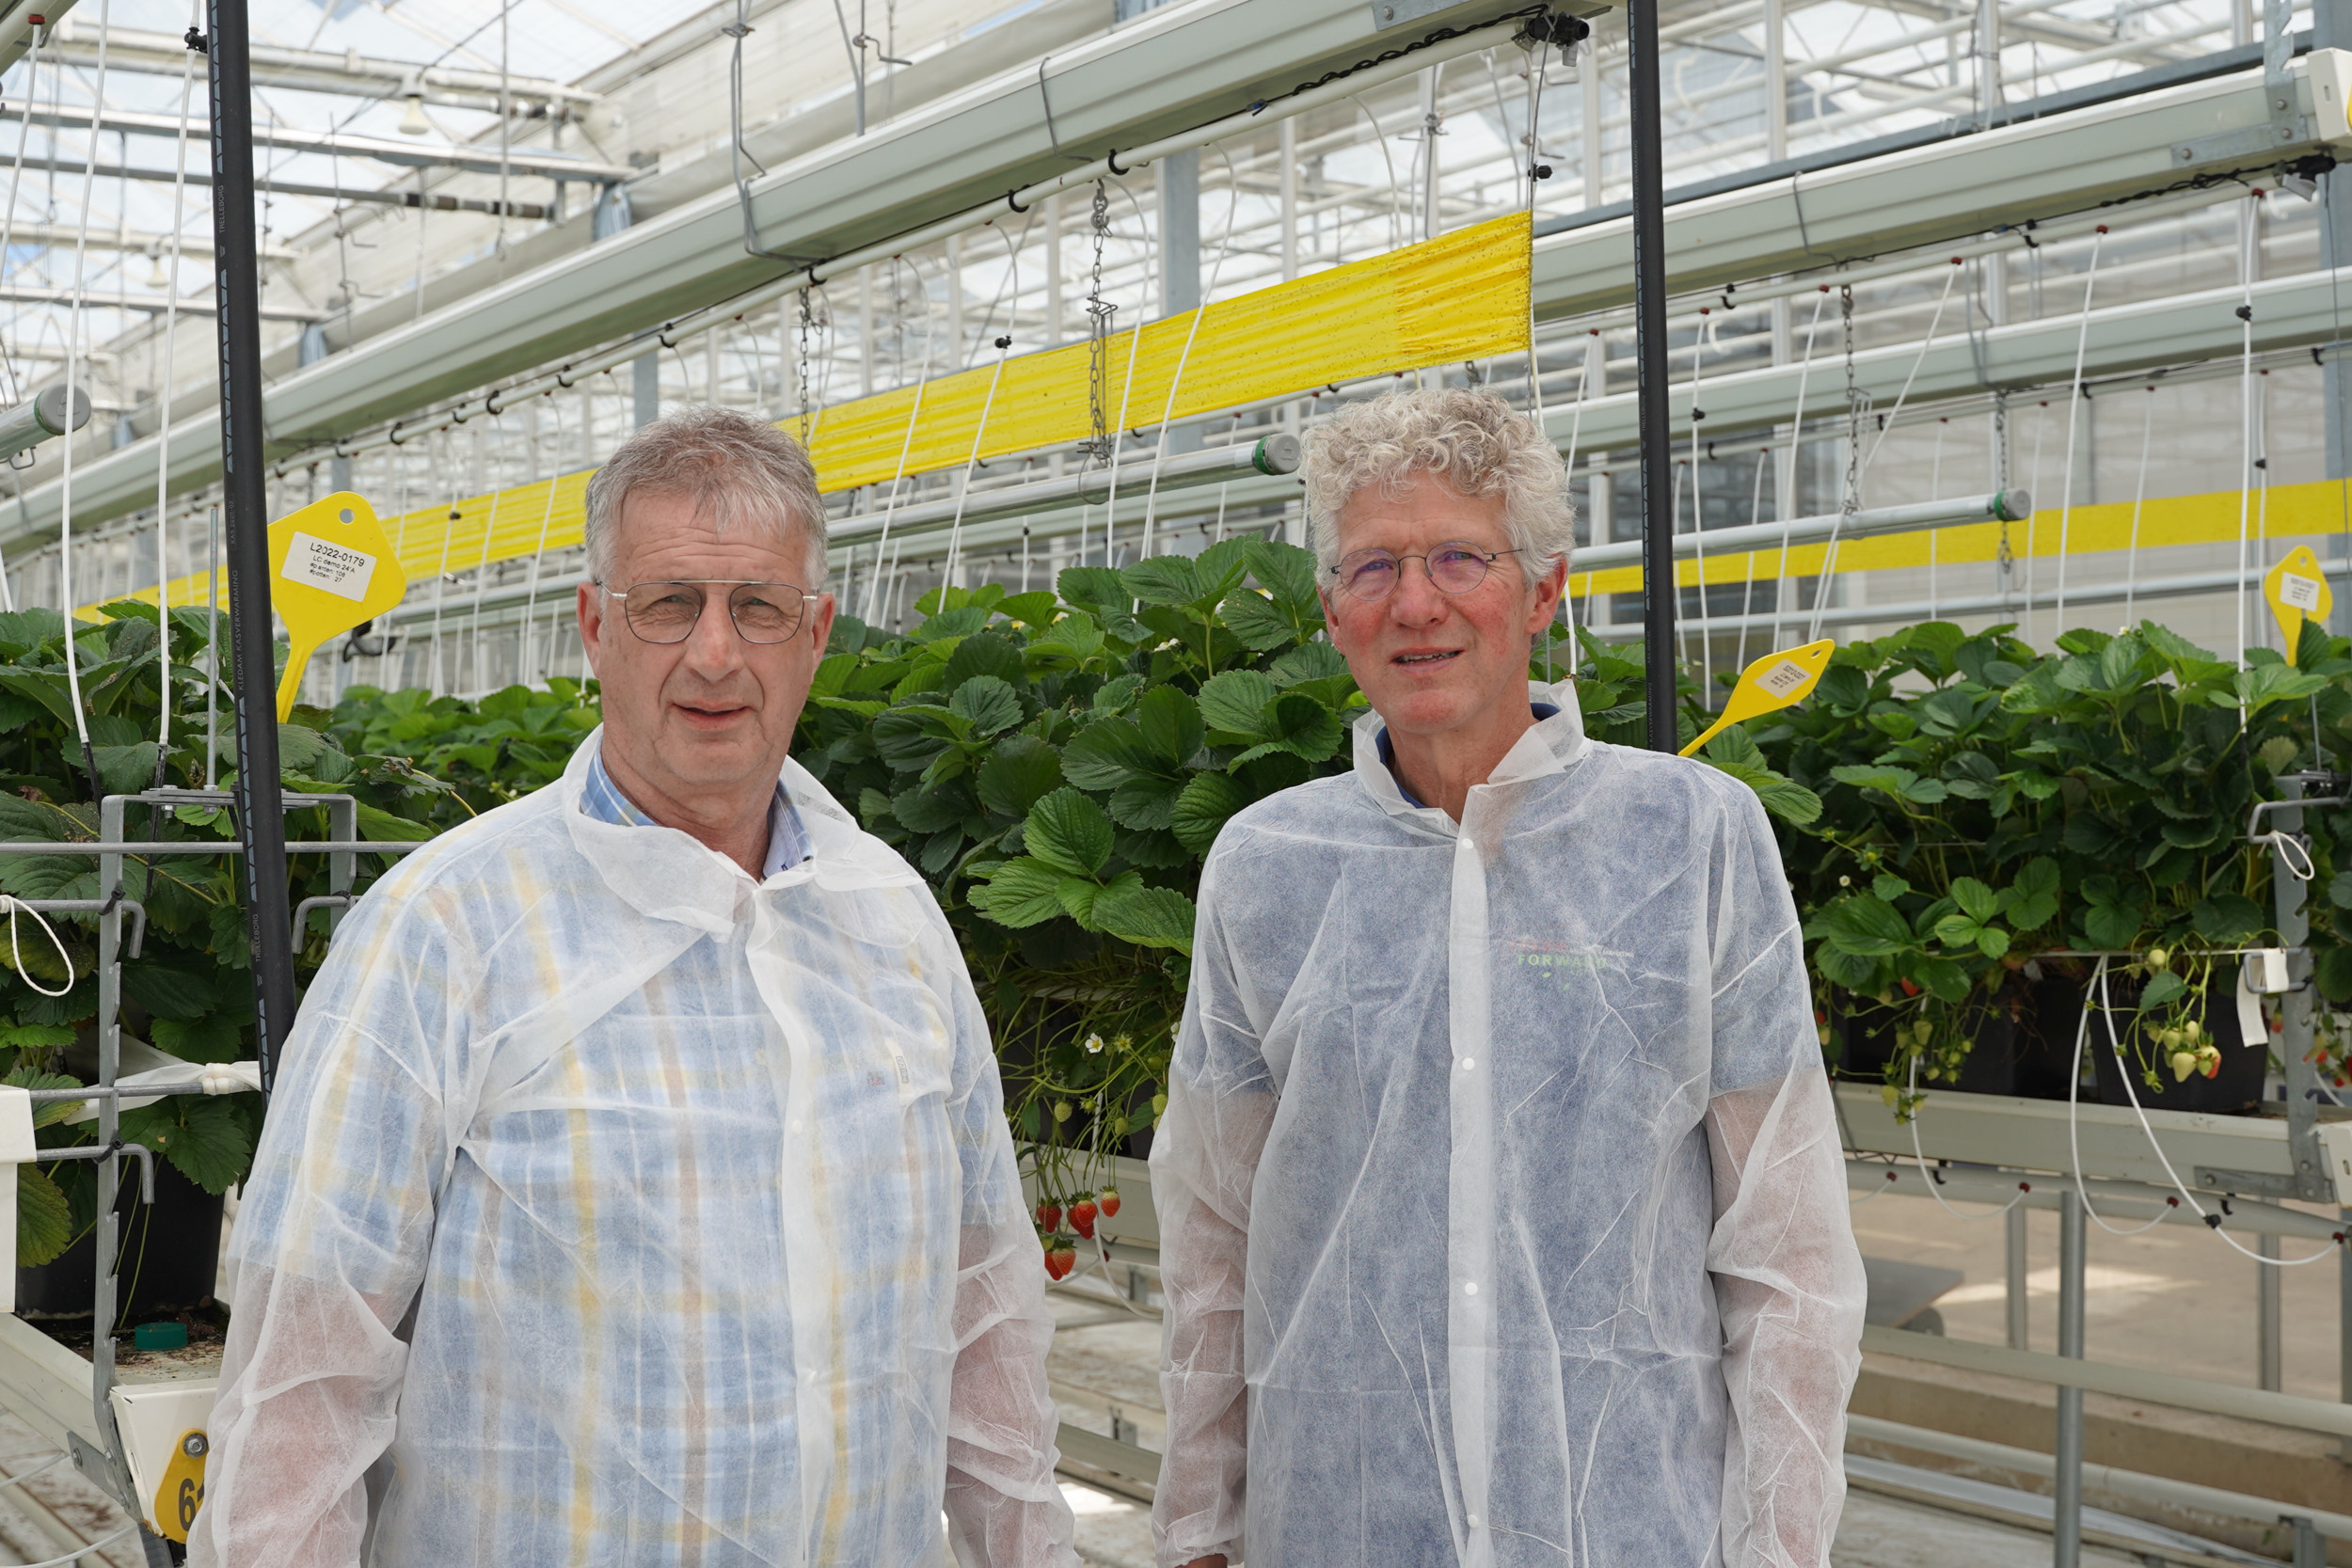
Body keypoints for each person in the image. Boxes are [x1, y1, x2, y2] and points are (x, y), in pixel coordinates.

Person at [190, 407, 1077, 1568]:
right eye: (669, 604)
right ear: (595, 626)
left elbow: (986, 1323)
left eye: (757, 606)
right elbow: (304, 1381)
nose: (715, 653)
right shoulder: (445, 929)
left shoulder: (892, 920)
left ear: (815, 635)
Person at [1149, 388, 1866, 1568]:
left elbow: (1784, 1253)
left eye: (1457, 557)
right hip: (1341, 1523)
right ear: (1331, 610)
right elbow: (1212, 1246)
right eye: (1372, 566)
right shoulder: (1268, 867)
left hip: (1626, 1528)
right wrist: (1197, 1530)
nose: (1414, 601)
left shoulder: (1690, 838)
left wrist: (1778, 1548)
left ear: (1542, 590)